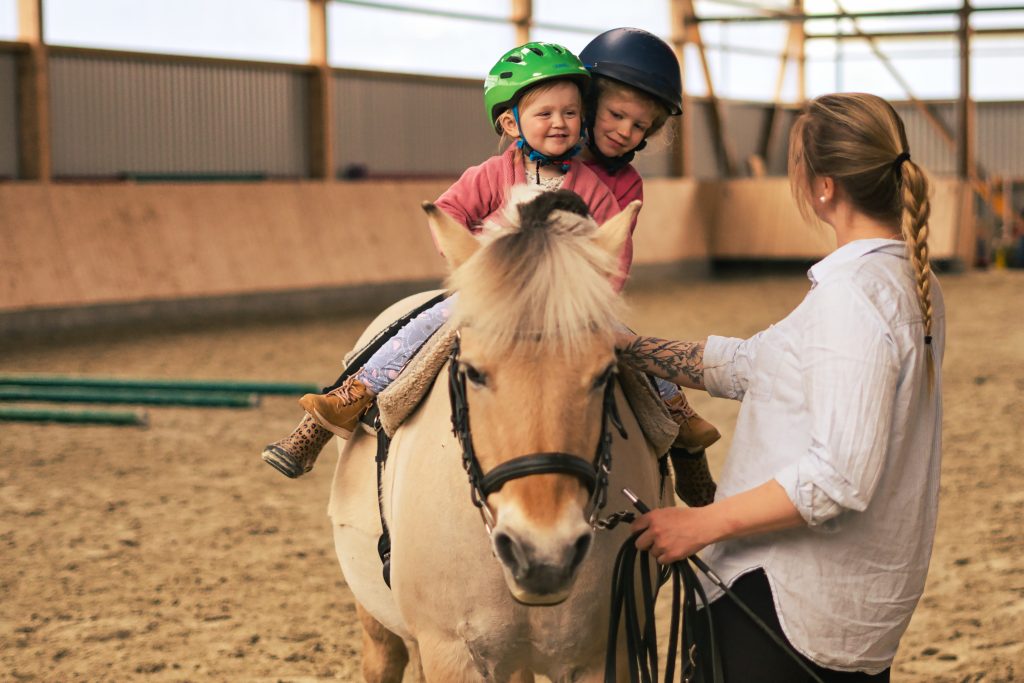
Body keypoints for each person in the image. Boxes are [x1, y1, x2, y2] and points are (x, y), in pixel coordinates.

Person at [262, 38, 719, 504]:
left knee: (630, 346)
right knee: (421, 324)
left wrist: (591, 296)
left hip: (571, 297)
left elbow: (614, 251)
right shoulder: (501, 169)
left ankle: (681, 427)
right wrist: (476, 268)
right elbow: (450, 211)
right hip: (499, 287)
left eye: (639, 125)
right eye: (615, 115)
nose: (624, 131)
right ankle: (345, 399)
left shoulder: (608, 184)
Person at [617, 93, 945, 681]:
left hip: (787, 605)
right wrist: (629, 347)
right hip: (830, 600)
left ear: (824, 188)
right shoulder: (895, 279)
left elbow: (839, 476)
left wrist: (700, 524)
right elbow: (752, 365)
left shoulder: (854, 298)